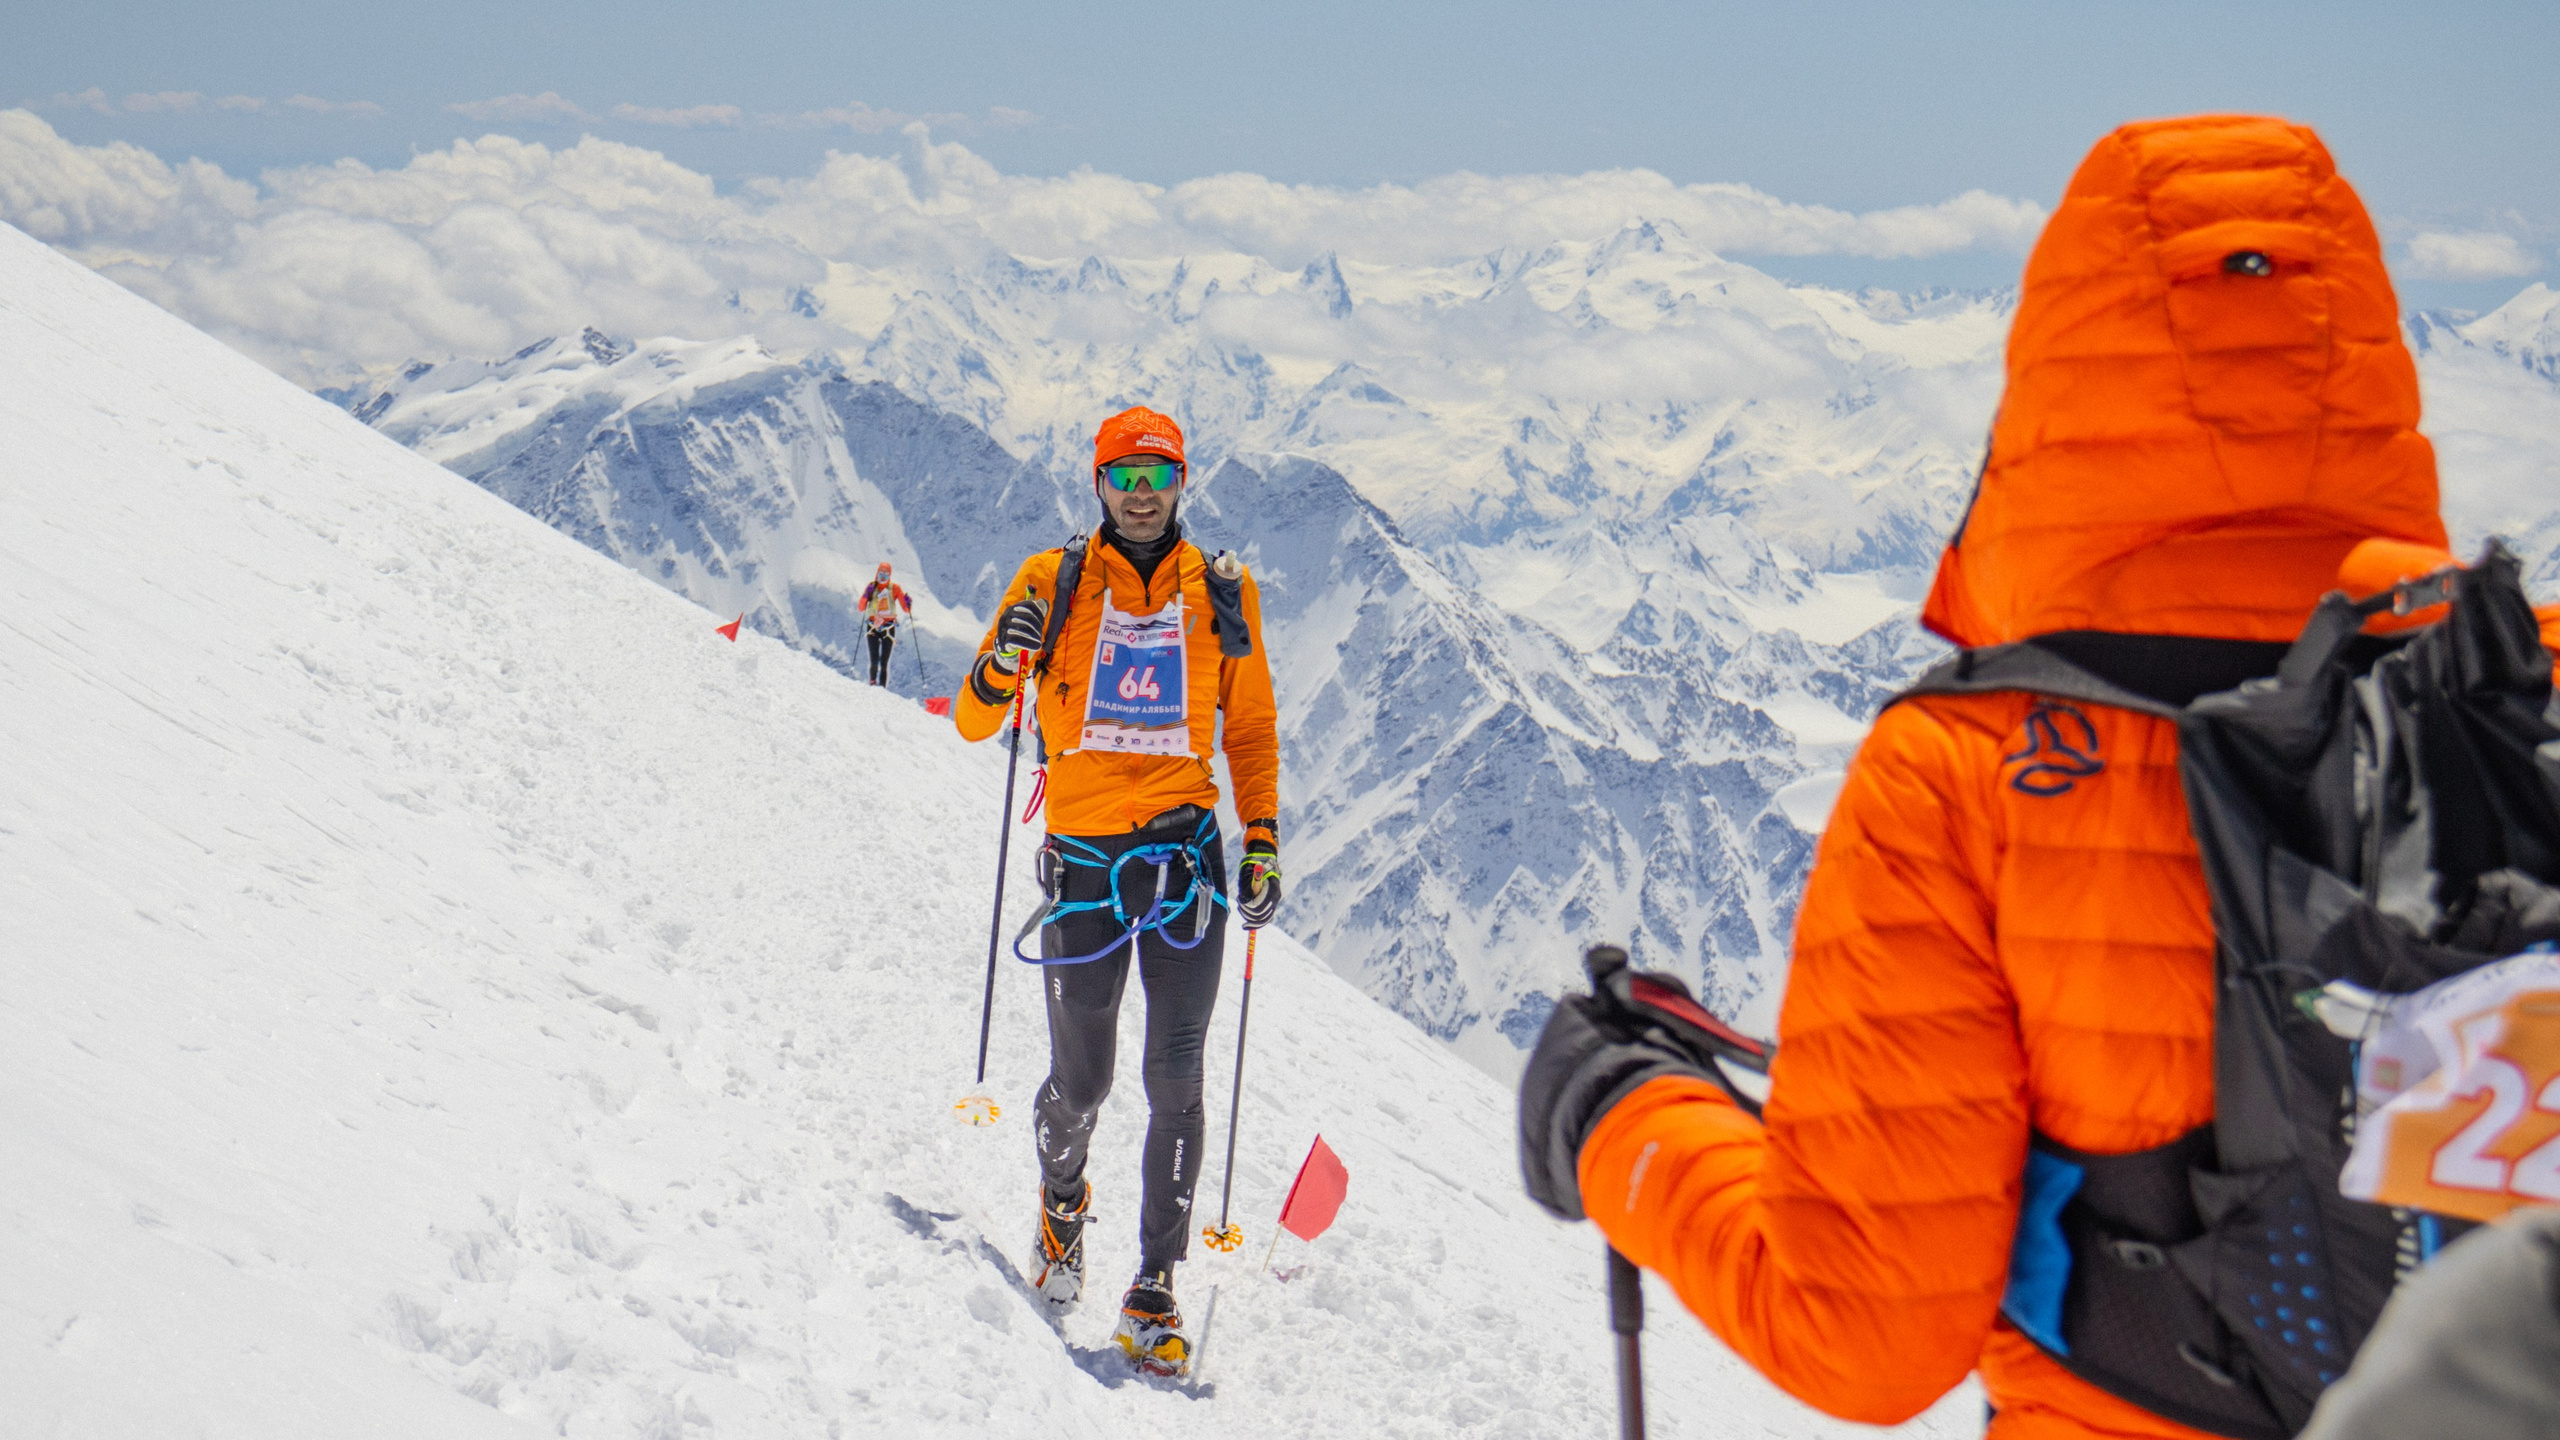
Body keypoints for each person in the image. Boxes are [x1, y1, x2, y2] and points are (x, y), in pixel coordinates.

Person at [1518, 115, 2551, 1439]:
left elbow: (1868, 1335)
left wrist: (1621, 1117)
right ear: (2359, 348)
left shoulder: (1965, 773)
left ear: (2059, 366)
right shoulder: (2522, 707)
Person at [953, 406, 1282, 1377]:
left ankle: (1155, 1284)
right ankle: (1062, 1207)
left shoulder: (1222, 589)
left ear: (1183, 482)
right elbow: (977, 720)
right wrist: (1001, 659)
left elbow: (1250, 728)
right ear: (1097, 484)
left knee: (1175, 1079)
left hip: (1185, 867)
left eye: (1158, 475)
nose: (1141, 493)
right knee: (1084, 1081)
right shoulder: (1050, 583)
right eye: (1123, 475)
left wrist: (1259, 837)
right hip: (1087, 871)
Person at [859, 562, 911, 686]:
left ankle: (881, 688)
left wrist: (907, 602)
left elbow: (906, 609)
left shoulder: (895, 589)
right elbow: (861, 607)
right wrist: (867, 595)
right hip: (875, 626)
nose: (883, 576)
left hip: (885, 626)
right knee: (875, 660)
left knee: (884, 663)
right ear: (877, 573)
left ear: (890, 574)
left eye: (886, 573)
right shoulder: (872, 587)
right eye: (881, 573)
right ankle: (873, 683)